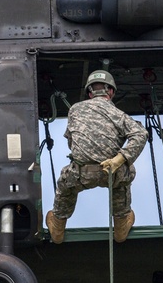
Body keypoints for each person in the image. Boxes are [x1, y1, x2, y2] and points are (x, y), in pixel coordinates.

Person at [45, 69, 147, 244]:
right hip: (111, 172)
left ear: (90, 92)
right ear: (111, 92)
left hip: (80, 174)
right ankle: (121, 225)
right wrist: (119, 159)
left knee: (65, 183)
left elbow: (72, 142)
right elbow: (141, 134)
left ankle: (58, 227)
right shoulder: (117, 114)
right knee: (125, 175)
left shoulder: (75, 110)